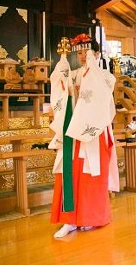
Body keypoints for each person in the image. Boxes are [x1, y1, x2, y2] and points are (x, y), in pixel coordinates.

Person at [49, 33, 119, 238]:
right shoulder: (75, 73)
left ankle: (91, 217)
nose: (81, 55)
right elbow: (60, 86)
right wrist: (62, 67)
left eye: (86, 51)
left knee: (91, 176)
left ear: (96, 53)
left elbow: (97, 94)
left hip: (95, 132)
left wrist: (89, 67)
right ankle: (69, 219)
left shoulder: (106, 76)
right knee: (69, 174)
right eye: (78, 52)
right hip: (74, 130)